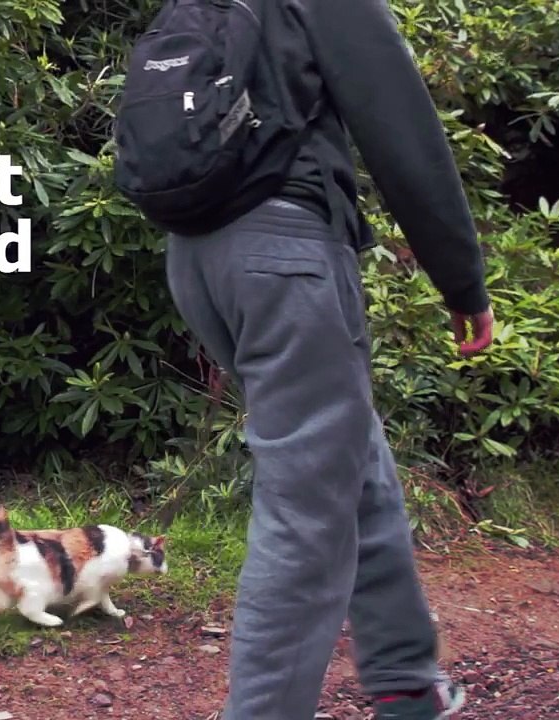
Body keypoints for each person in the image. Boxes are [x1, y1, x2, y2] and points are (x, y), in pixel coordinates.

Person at [157, 0, 495, 717]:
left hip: (196, 262)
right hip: (284, 259)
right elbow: (402, 131)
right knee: (306, 508)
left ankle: (406, 682)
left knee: (351, 454)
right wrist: (460, 279)